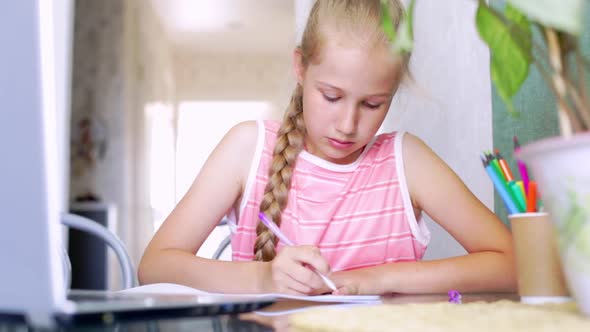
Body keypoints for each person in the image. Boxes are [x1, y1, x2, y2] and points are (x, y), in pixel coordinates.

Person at [138, 0, 516, 296]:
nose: (348, 124)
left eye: (372, 104)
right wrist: (263, 279)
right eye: (331, 96)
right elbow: (155, 266)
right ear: (301, 68)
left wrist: (375, 278)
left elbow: (515, 264)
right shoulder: (247, 149)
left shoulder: (408, 162)